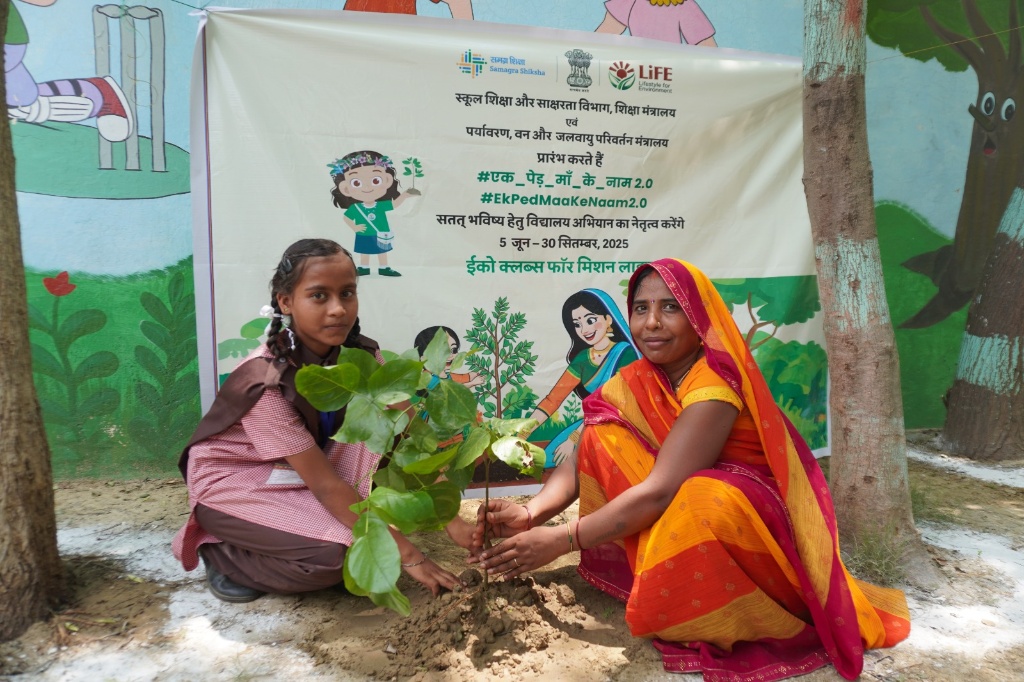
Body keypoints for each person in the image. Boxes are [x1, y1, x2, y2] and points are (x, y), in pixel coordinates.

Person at [472, 259, 910, 680]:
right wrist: (533, 515)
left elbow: (661, 491)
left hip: (752, 518)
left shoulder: (714, 384)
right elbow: (587, 449)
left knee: (700, 497)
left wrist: (562, 539)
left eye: (670, 308)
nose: (652, 323)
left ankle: (721, 601)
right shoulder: (637, 378)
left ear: (698, 317)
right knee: (603, 434)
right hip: (683, 499)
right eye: (641, 309)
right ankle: (657, 566)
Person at [172, 239, 472, 603]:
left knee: (374, 482)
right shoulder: (264, 380)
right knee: (339, 559)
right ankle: (223, 553)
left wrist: (454, 520)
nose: (337, 309)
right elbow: (328, 486)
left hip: (304, 471)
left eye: (347, 293)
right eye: (318, 296)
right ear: (286, 302)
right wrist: (410, 557)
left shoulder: (361, 353)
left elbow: (404, 435)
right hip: (239, 479)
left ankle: (283, 540)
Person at [529, 289, 638, 467]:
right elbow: (552, 400)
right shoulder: (582, 359)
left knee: (582, 456)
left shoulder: (625, 353)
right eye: (577, 324)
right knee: (548, 459)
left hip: (623, 421)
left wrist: (573, 439)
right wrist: (522, 433)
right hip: (591, 422)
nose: (584, 330)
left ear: (608, 319)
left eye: (590, 320)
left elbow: (611, 401)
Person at [329, 150, 418, 277]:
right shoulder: (356, 208)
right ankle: (364, 267)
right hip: (363, 233)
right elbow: (346, 218)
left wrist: (404, 196)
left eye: (376, 180)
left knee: (382, 251)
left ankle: (384, 268)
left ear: (387, 180)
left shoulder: (380, 205)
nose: (366, 187)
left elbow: (394, 204)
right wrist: (354, 227)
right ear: (345, 188)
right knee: (364, 251)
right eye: (356, 182)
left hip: (381, 232)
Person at [595, 0, 718, 46]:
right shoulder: (630, 1)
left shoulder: (686, 7)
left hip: (670, 75)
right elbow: (603, 35)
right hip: (637, 71)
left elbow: (707, 47)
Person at [413, 325, 483, 389]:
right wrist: (472, 383)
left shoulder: (444, 375)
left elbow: (458, 378)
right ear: (423, 357)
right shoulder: (427, 378)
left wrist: (470, 376)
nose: (450, 355)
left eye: (454, 350)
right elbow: (451, 391)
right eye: (443, 351)